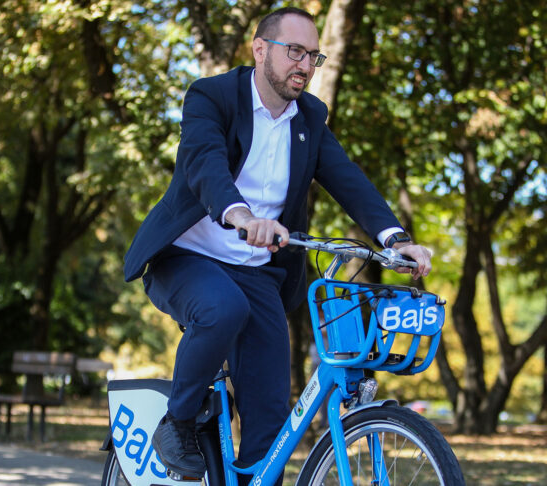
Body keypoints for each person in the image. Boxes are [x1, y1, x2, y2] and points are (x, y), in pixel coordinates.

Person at [123, 6, 432, 484]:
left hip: (256, 273)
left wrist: (397, 239)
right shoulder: (212, 97)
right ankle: (177, 422)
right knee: (223, 309)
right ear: (260, 49)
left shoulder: (309, 117)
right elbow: (205, 166)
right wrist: (241, 216)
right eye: (295, 52)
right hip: (187, 258)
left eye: (313, 56)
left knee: (271, 416)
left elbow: (348, 180)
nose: (305, 65)